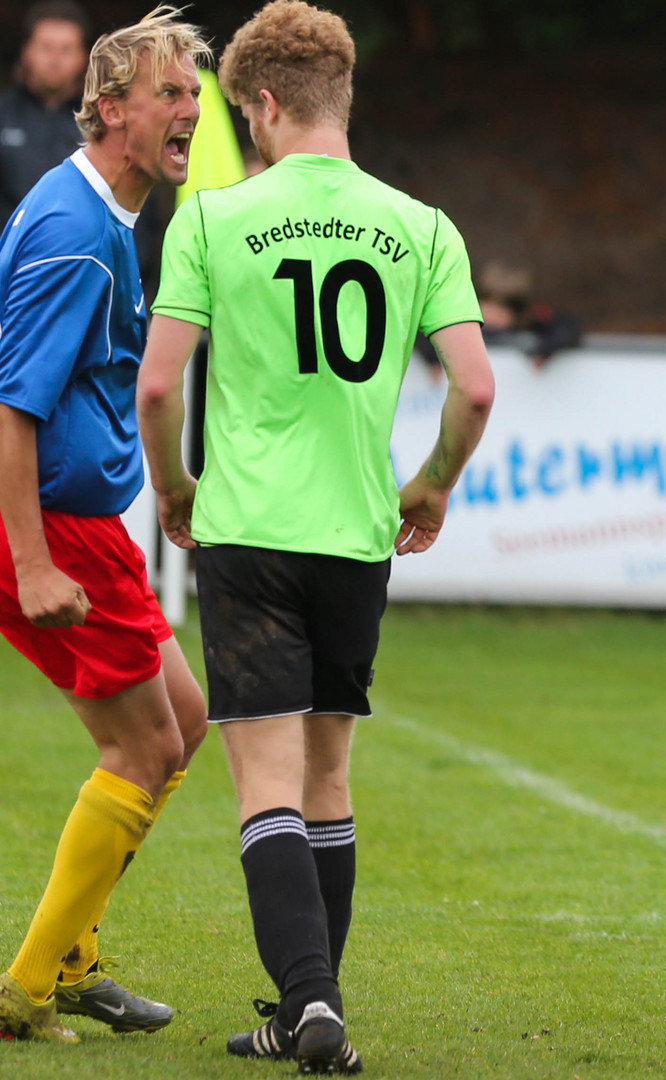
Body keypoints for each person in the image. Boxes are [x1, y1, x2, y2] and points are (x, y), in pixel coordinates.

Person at [136, 1, 493, 1072]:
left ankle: (310, 1005)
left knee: (264, 788)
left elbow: (159, 385)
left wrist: (174, 488)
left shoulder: (214, 220)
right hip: (354, 534)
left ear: (262, 104)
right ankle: (306, 1009)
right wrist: (429, 485)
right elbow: (474, 386)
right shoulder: (422, 225)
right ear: (343, 99)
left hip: (247, 528)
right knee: (328, 779)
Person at [0, 7, 210, 1043]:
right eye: (170, 92)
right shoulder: (78, 233)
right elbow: (14, 403)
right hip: (48, 529)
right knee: (146, 746)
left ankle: (73, 952)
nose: (191, 107)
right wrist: (32, 559)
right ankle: (28, 987)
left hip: (83, 524)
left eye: (195, 91)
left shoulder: (108, 216)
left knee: (183, 721)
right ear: (111, 107)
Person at [0, 1, 91, 226]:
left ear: (84, 57)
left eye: (66, 49)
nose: (55, 60)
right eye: (46, 47)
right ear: (26, 52)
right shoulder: (3, 114)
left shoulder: (100, 123)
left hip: (78, 256)